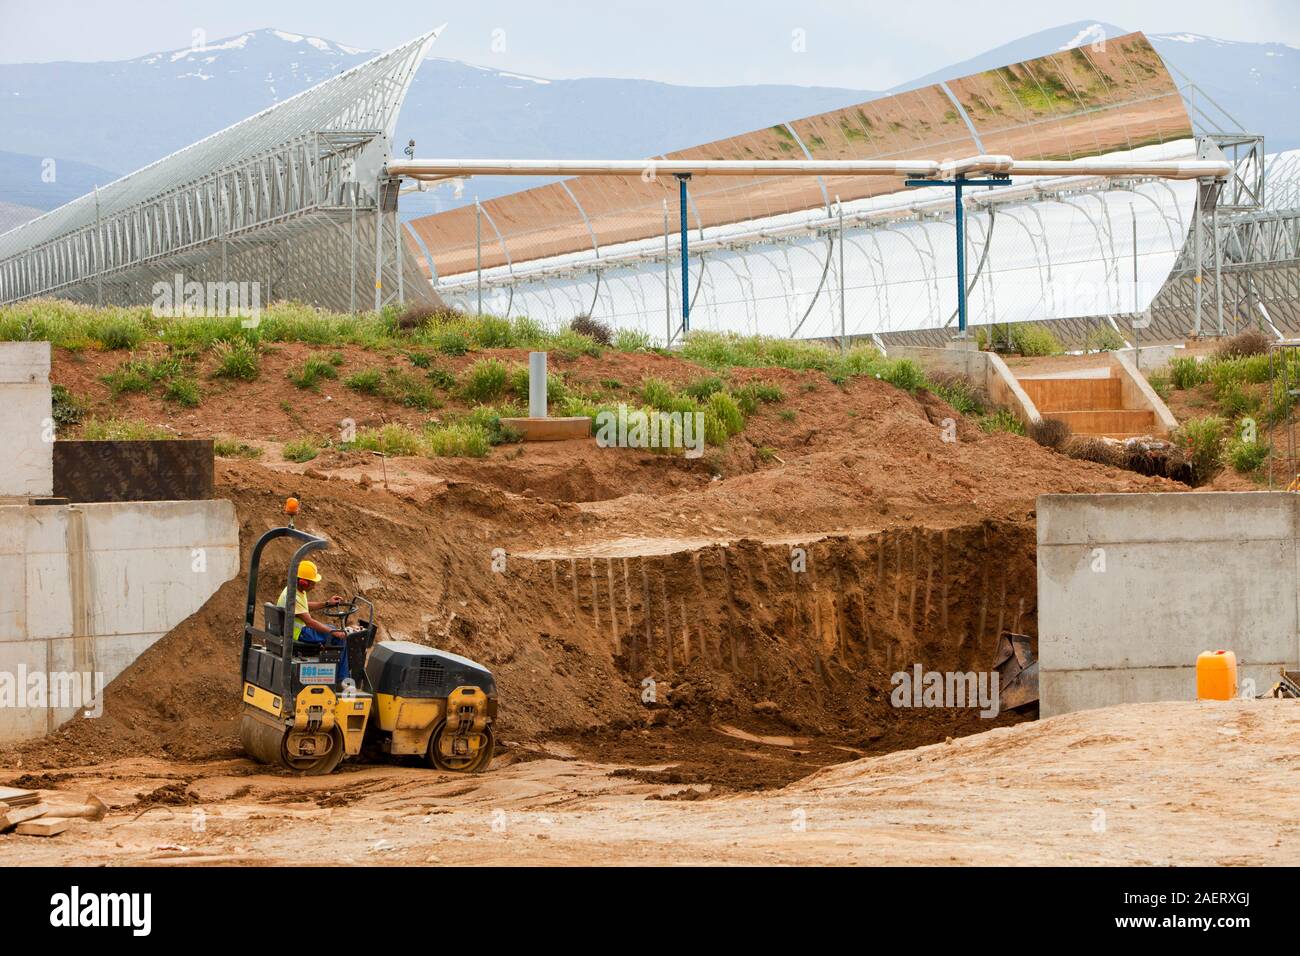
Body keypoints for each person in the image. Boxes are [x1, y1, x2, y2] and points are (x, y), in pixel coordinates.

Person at [277, 560, 350, 683]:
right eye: (313, 583)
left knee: (332, 630)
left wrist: (327, 604)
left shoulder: (295, 590)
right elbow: (310, 622)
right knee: (340, 637)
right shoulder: (293, 595)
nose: (315, 586)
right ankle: (343, 680)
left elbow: (305, 607)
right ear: (304, 582)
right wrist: (334, 632)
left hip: (297, 630)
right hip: (299, 633)